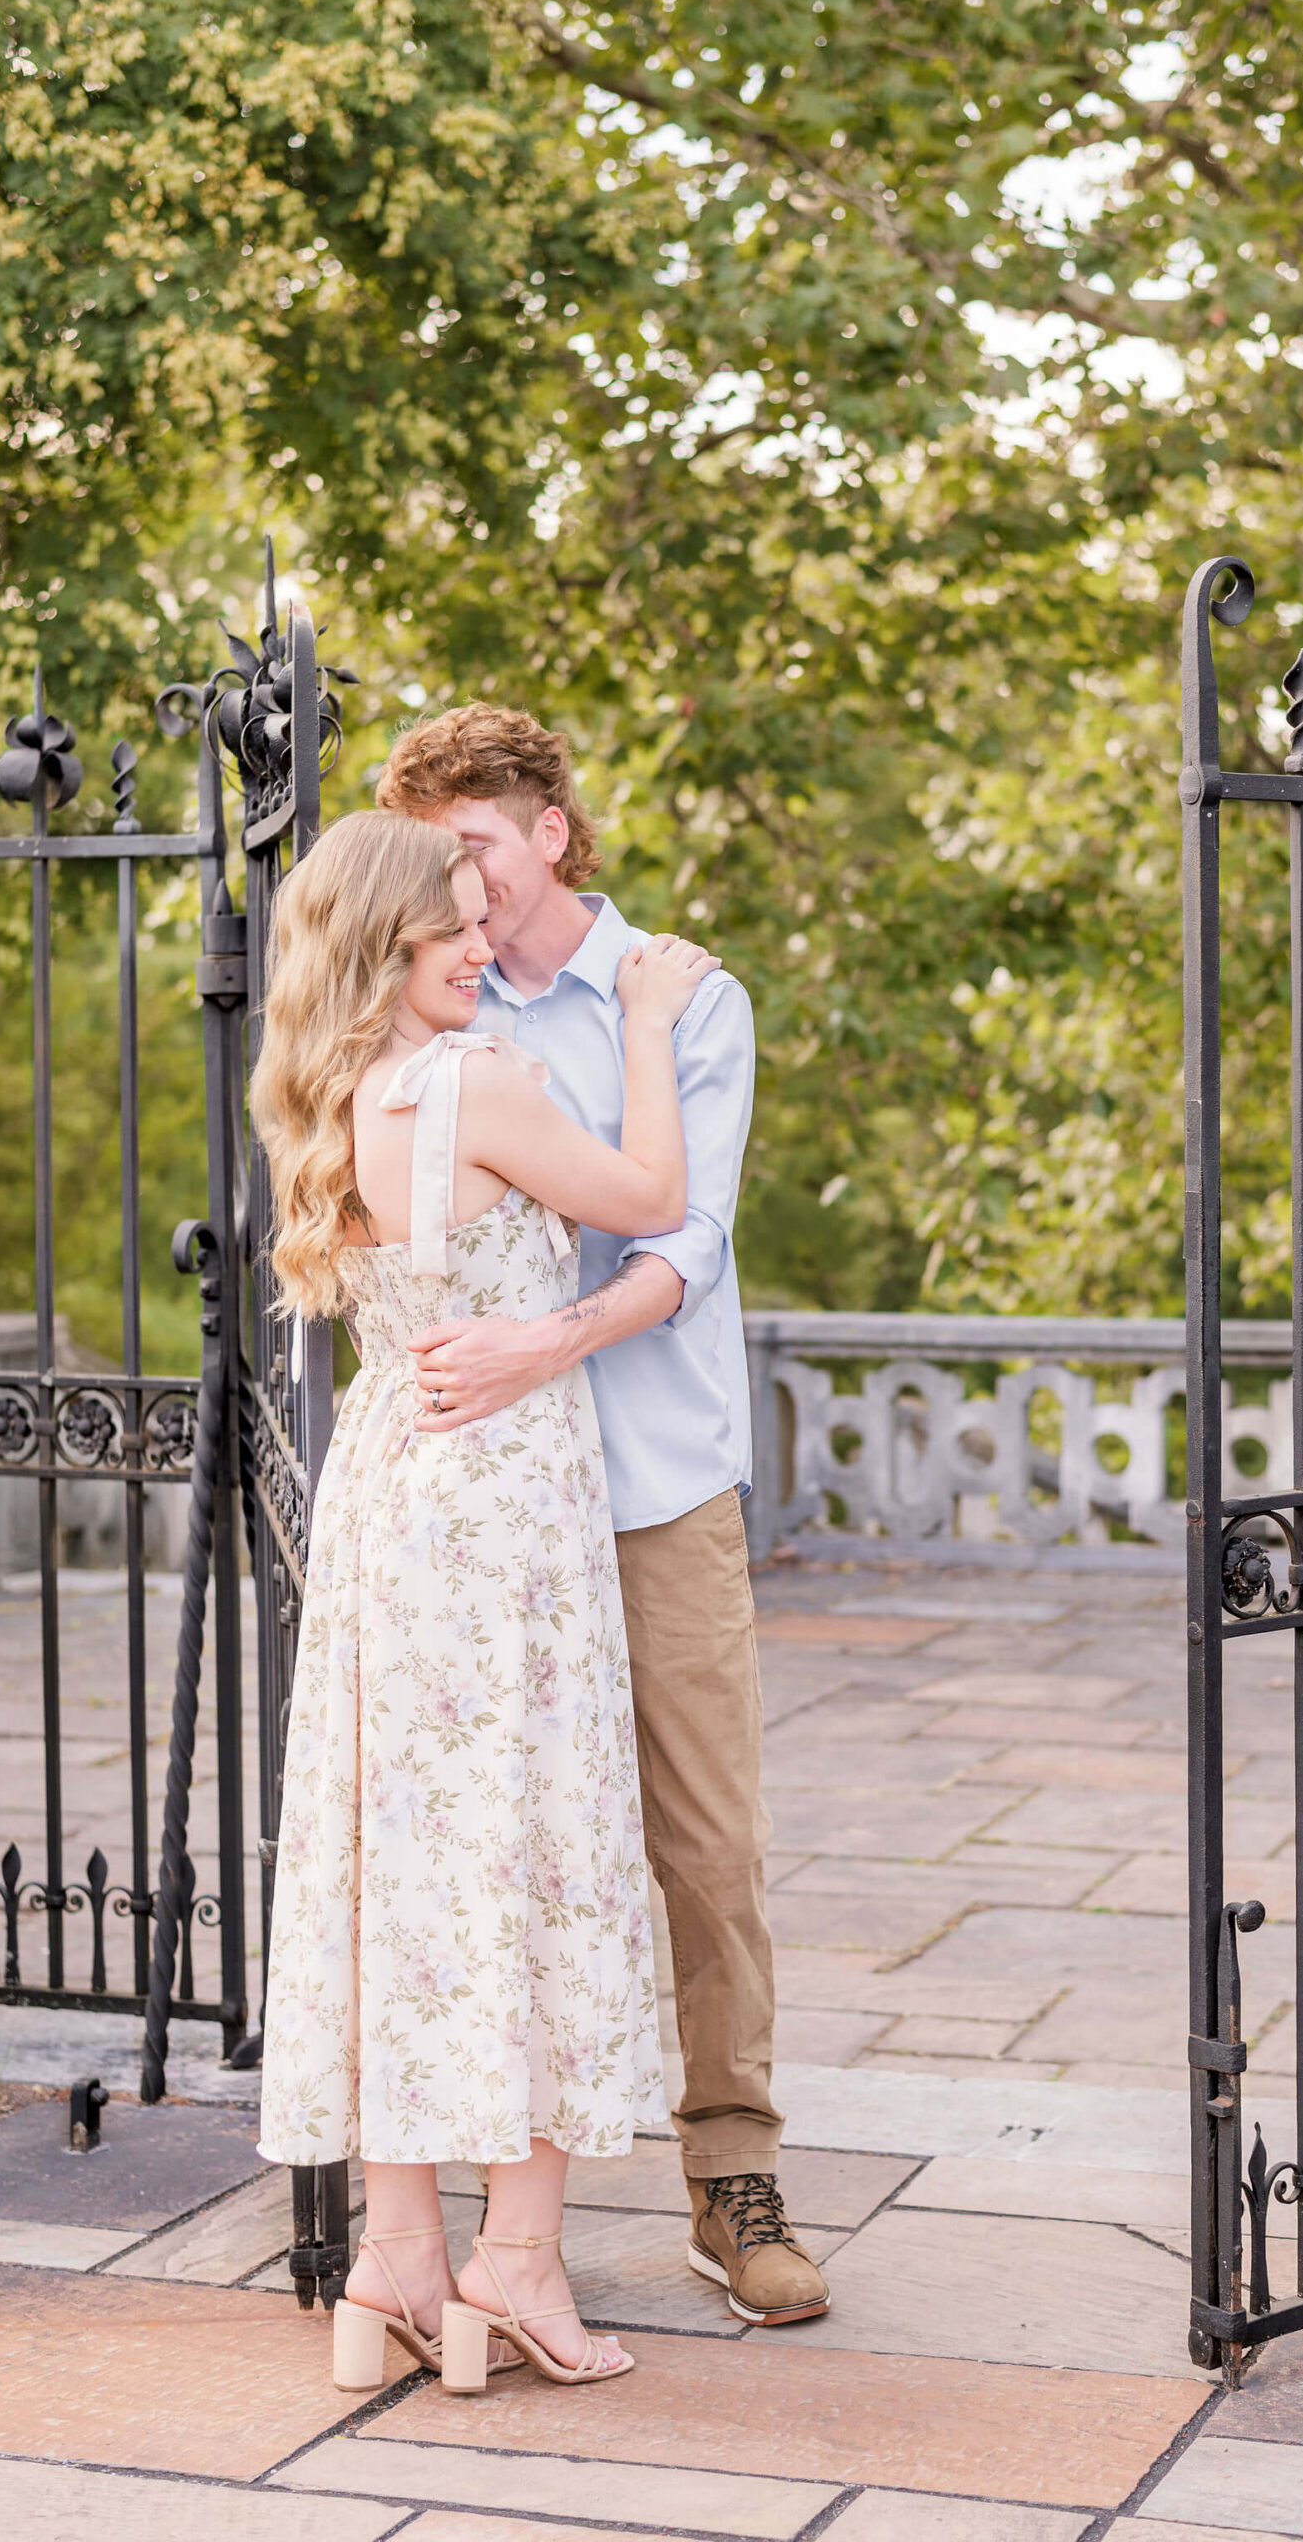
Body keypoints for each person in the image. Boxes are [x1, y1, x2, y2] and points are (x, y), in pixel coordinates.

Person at [253, 806, 721, 2398]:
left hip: (390, 1487)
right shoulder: (478, 1084)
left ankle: (393, 2263)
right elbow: (655, 1193)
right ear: (389, 942)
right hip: (507, 1500)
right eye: (453, 928)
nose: (481, 949)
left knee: (399, 1864)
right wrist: (649, 1020)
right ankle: (515, 2264)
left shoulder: (323, 1093)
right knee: (532, 1855)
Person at [375, 706, 830, 2329]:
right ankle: (446, 2226)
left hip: (646, 1486)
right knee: (473, 1854)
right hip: (485, 1509)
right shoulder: (423, 996)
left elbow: (683, 1239)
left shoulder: (686, 998)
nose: (460, 891)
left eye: (477, 848)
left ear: (551, 829)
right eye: (434, 862)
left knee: (704, 1848)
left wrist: (543, 1344)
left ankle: (732, 2178)